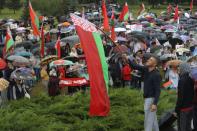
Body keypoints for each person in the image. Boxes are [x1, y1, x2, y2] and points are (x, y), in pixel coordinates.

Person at [127, 55, 161, 131]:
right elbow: (135, 66)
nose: (148, 60)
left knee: (148, 121)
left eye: (151, 60)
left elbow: (158, 90)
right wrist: (128, 58)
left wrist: (154, 104)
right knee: (153, 121)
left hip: (151, 99)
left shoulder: (156, 75)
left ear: (155, 64)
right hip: (146, 98)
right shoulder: (146, 69)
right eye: (149, 59)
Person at [175, 62, 194, 131]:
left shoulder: (182, 80)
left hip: (183, 109)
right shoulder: (191, 79)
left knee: (182, 127)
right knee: (188, 127)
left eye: (179, 67)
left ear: (183, 68)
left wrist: (176, 109)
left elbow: (181, 97)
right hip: (191, 107)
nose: (178, 69)